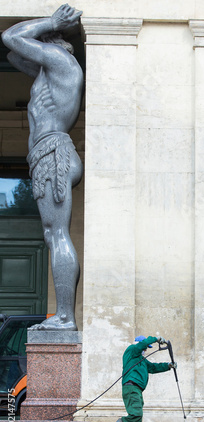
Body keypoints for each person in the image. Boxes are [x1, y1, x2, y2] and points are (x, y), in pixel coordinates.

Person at [2, 5, 84, 331]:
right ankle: (63, 315)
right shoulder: (49, 71)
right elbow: (14, 57)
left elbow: (11, 38)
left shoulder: (61, 62)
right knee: (53, 235)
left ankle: (65, 317)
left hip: (53, 153)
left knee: (57, 234)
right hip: (46, 154)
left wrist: (51, 22)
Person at [111, 335, 177, 422]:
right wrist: (155, 339)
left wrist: (168, 365)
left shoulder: (142, 360)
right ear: (139, 343)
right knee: (136, 413)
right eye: (146, 347)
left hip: (137, 389)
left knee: (138, 416)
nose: (146, 349)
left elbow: (153, 367)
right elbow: (141, 346)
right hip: (131, 387)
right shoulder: (131, 350)